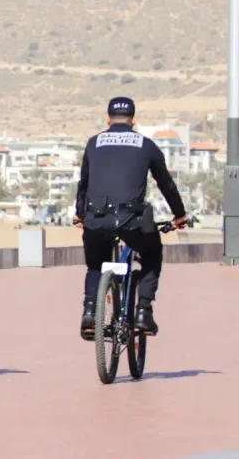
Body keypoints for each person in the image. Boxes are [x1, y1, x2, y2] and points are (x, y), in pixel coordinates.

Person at [74, 97, 188, 338]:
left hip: (96, 219)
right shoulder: (146, 145)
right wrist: (179, 215)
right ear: (133, 120)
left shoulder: (94, 143)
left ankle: (90, 313)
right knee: (152, 252)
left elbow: (83, 184)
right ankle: (143, 313)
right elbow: (166, 185)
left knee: (96, 264)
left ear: (107, 119)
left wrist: (80, 214)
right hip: (131, 221)